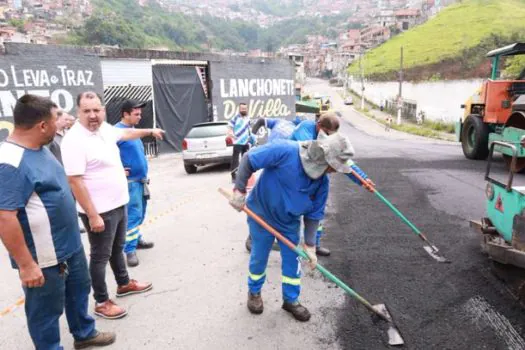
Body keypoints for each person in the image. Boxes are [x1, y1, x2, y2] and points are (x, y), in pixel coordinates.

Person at [0, 94, 115, 349]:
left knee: (78, 292)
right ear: (42, 125)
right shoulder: (9, 163)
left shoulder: (42, 147)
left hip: (69, 247)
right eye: (56, 119)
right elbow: (4, 218)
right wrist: (27, 265)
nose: (61, 124)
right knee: (45, 312)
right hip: (44, 258)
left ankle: (84, 334)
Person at [229, 132, 356, 322]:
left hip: (289, 222)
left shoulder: (322, 182)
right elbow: (248, 159)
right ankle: (254, 292)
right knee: (259, 256)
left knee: (293, 260)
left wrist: (311, 246)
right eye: (334, 166)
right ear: (323, 158)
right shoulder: (284, 150)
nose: (334, 170)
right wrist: (239, 191)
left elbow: (314, 215)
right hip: (261, 214)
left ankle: (291, 300)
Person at [61, 91, 163, 320]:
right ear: (78, 112)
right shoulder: (74, 140)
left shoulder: (105, 129)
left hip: (119, 203)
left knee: (117, 249)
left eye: (96, 110)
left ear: (103, 110)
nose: (92, 115)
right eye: (87, 111)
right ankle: (101, 301)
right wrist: (92, 214)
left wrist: (149, 130)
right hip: (99, 211)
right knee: (99, 256)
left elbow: (126, 133)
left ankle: (124, 283)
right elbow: (74, 181)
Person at [115, 100, 155, 267]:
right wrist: (118, 170)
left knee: (140, 213)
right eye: (136, 114)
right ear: (125, 114)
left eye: (140, 113)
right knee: (132, 215)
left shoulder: (132, 131)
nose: (140, 117)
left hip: (140, 181)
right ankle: (129, 250)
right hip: (130, 183)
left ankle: (136, 239)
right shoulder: (117, 132)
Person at [228, 103, 254, 182]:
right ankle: (234, 176)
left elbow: (249, 128)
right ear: (239, 109)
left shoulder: (247, 117)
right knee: (235, 159)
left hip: (245, 142)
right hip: (237, 141)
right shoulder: (235, 117)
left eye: (245, 108)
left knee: (245, 159)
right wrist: (231, 134)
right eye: (242, 108)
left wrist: (251, 138)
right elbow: (229, 127)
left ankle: (244, 175)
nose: (244, 110)